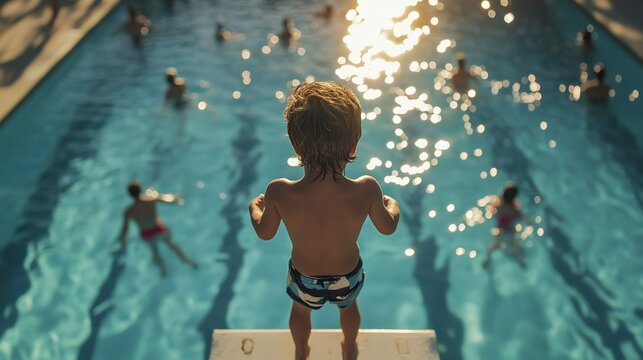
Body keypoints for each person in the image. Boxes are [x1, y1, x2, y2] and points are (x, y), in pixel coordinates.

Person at [248, 82, 400, 360]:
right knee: (349, 309)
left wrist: (254, 208)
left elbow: (265, 233)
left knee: (300, 311)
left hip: (304, 276)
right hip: (348, 275)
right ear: (354, 145)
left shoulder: (279, 191)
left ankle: (301, 351)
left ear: (296, 148)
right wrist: (393, 205)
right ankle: (350, 346)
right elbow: (388, 227)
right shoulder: (367, 189)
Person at [118, 181, 198, 276]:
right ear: (141, 190)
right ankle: (187, 260)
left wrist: (122, 239)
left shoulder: (128, 211)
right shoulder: (150, 199)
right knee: (172, 244)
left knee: (154, 251)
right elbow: (170, 200)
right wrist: (180, 197)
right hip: (158, 230)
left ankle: (162, 269)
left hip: (146, 235)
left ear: (129, 195)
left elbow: (125, 228)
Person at [482, 183, 530, 268]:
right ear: (514, 198)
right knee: (515, 247)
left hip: (499, 230)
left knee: (493, 246)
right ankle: (521, 261)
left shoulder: (497, 204)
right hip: (510, 231)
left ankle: (487, 260)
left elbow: (491, 214)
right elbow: (523, 218)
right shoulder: (514, 209)